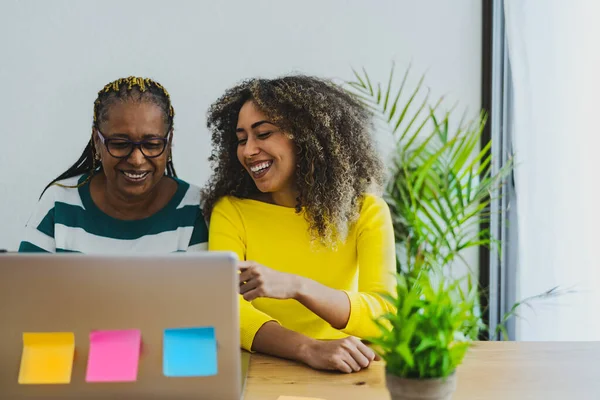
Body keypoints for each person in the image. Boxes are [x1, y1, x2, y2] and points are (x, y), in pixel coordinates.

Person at [203, 75, 396, 373]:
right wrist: (307, 348)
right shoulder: (232, 212)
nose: (248, 150)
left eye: (263, 134)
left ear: (307, 135)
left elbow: (383, 314)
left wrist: (296, 286)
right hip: (262, 371)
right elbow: (227, 308)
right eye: (242, 139)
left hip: (349, 369)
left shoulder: (366, 211)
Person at [19, 76, 207, 253]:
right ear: (97, 141)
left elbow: (205, 287)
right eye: (119, 144)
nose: (136, 160)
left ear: (169, 141)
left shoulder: (195, 209)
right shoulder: (59, 203)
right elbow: (23, 284)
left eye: (151, 145)